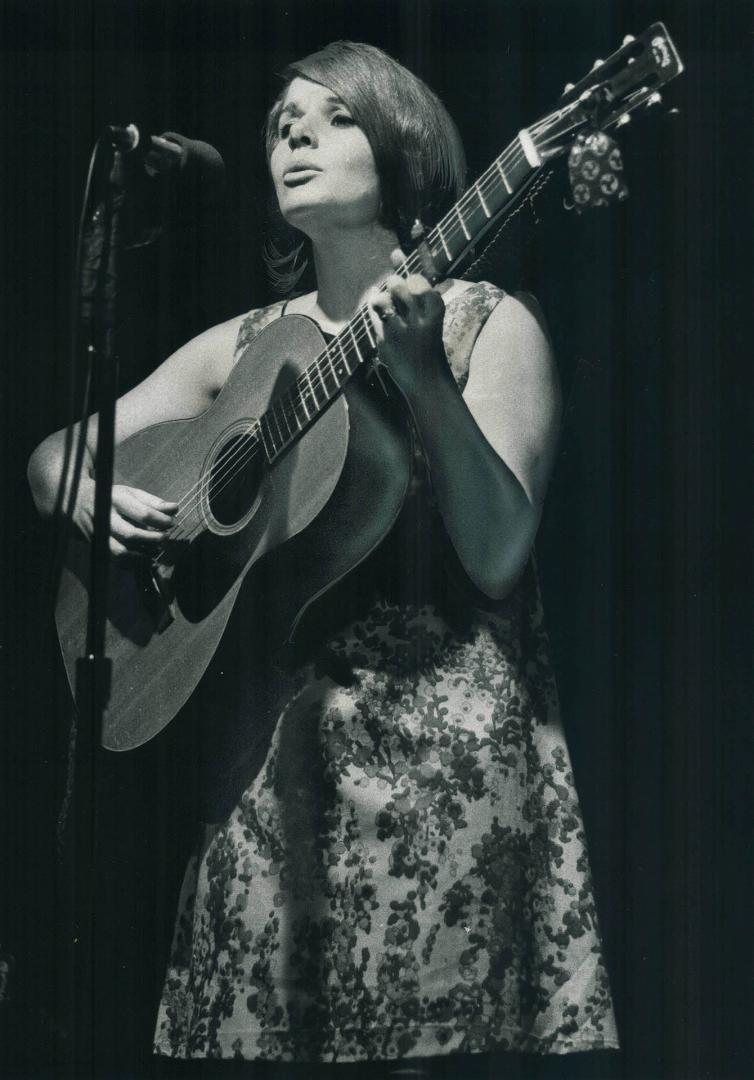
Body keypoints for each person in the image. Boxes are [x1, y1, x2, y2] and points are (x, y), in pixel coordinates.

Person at [28, 40, 618, 1077]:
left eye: (333, 114)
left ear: (401, 143)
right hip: (270, 789)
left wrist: (426, 380)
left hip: (443, 797)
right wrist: (69, 485)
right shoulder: (246, 344)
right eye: (279, 121)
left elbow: (496, 556)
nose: (292, 131)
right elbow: (55, 452)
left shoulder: (492, 324)